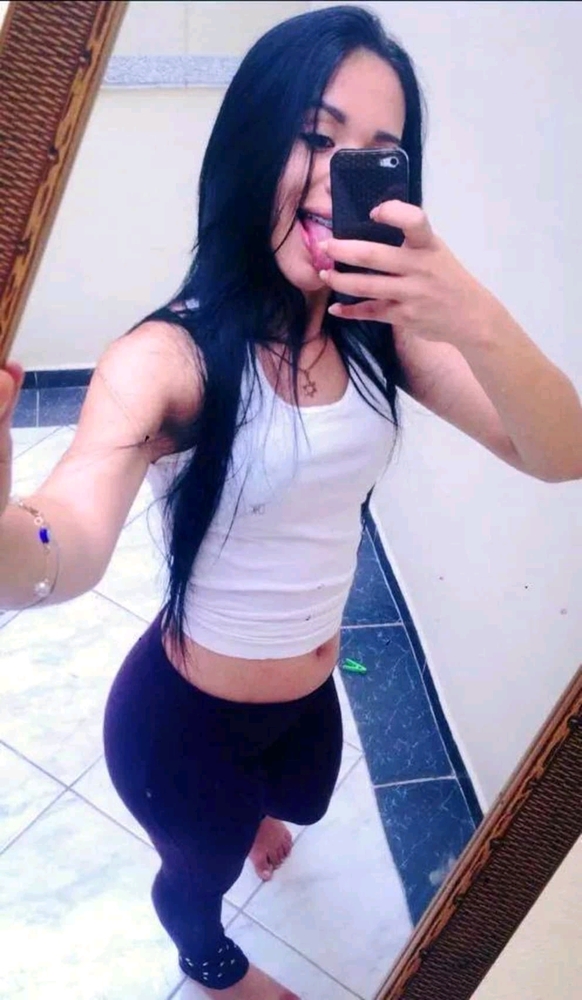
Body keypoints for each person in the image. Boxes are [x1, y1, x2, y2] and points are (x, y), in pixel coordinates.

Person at [1, 5, 581, 998]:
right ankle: (209, 963)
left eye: (377, 153)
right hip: (182, 722)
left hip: (312, 691)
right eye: (315, 136)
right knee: (198, 875)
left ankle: (257, 809)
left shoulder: (382, 333)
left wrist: (471, 312)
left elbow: (560, 453)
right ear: (253, 142)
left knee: (300, 803)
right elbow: (67, 544)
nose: (335, 175)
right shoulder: (168, 357)